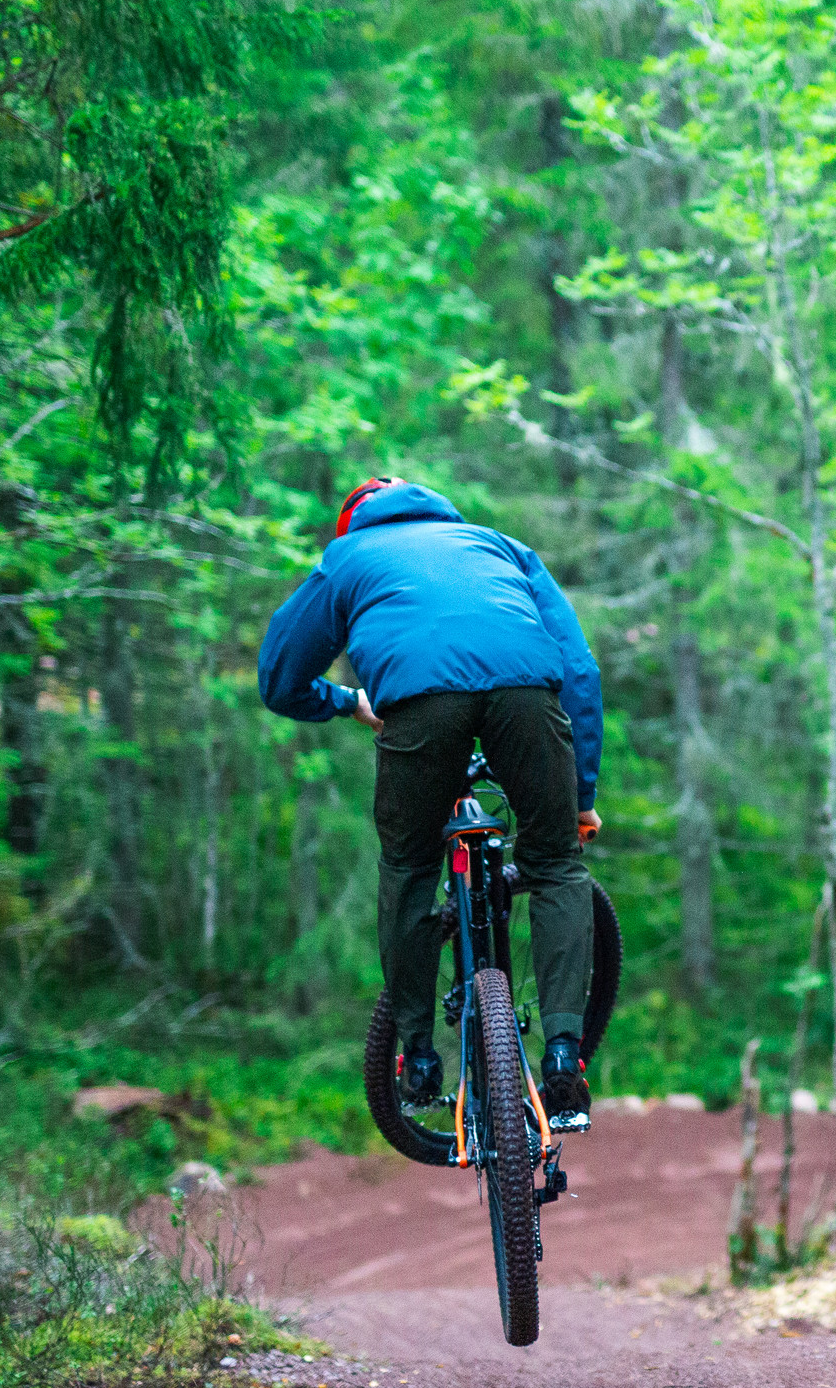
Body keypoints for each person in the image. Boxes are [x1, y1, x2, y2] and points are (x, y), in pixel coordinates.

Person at [257, 478, 603, 1126]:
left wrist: (347, 702)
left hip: (419, 707)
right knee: (556, 863)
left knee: (411, 867)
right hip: (529, 697)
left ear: (350, 523)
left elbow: (279, 680)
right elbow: (579, 671)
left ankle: (416, 1054)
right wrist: (581, 797)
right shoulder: (500, 546)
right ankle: (563, 1052)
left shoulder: (348, 559)